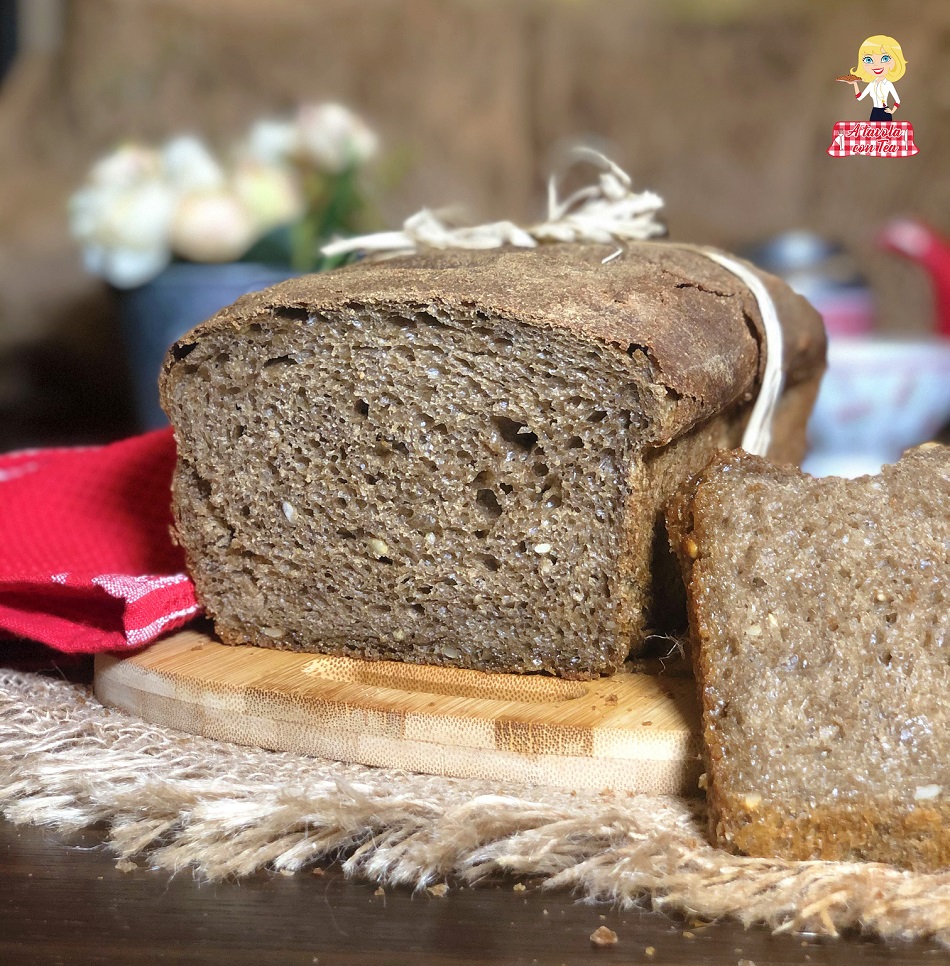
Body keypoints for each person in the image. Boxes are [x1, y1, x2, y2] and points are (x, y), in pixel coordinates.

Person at [839, 35, 906, 121]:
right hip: (875, 112)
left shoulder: (888, 84)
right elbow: (859, 97)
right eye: (869, 60)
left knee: (886, 134)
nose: (876, 65)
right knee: (872, 133)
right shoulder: (872, 84)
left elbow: (897, 100)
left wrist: (892, 111)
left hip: (885, 112)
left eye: (885, 58)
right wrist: (855, 83)